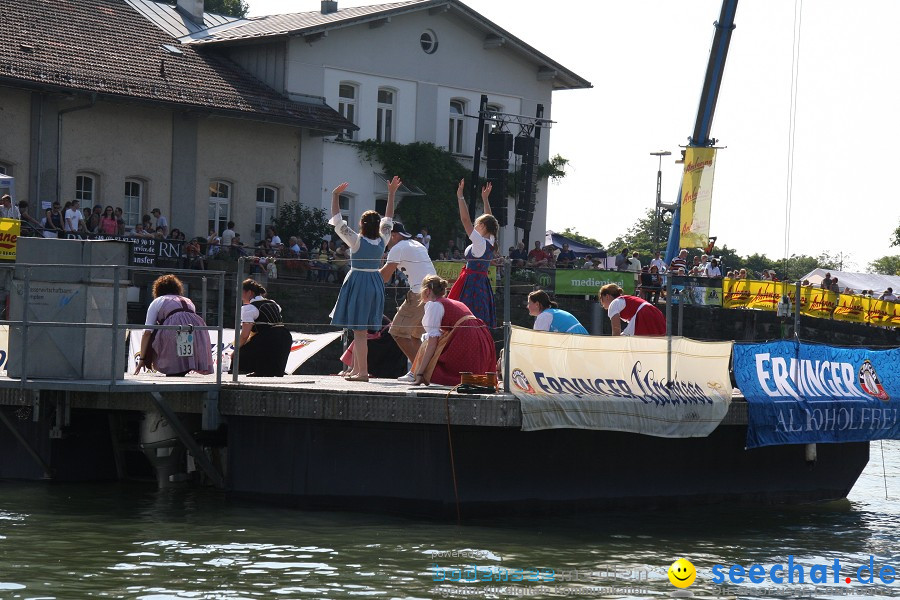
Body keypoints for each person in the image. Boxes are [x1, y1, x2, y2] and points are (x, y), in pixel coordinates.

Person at [329, 176, 397, 382]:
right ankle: (356, 369)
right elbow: (389, 219)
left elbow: (338, 221)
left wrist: (335, 195)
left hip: (359, 281)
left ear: (361, 224)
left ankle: (363, 372)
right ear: (377, 226)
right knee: (363, 329)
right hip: (375, 281)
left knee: (359, 330)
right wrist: (392, 193)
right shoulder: (382, 240)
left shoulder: (356, 241)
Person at [411, 274, 496, 386]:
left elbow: (432, 344)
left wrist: (420, 373)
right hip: (480, 338)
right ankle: (415, 372)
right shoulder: (453, 303)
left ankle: (418, 374)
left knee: (427, 344)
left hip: (466, 338)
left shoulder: (435, 305)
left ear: (427, 291)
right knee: (434, 340)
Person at [380, 222, 437, 381]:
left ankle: (419, 371)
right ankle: (423, 372)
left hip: (419, 293)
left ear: (394, 235)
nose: (384, 240)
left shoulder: (397, 248)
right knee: (414, 336)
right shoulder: (416, 244)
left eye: (386, 236)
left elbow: (384, 277)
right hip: (433, 293)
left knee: (397, 332)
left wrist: (364, 273)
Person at [135, 274, 213, 376]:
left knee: (158, 338)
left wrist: (142, 358)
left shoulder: (158, 301)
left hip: (173, 329)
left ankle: (170, 369)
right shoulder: (189, 301)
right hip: (196, 331)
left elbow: (147, 332)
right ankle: (185, 368)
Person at [448, 179, 498, 328]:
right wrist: (485, 199)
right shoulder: (491, 240)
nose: (474, 227)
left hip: (471, 283)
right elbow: (490, 219)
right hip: (482, 283)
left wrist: (460, 196)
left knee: (466, 317)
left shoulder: (480, 243)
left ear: (482, 226)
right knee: (479, 318)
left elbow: (465, 220)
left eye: (477, 225)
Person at [233, 278, 293, 376]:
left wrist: (236, 350)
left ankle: (260, 370)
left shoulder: (248, 308)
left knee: (241, 353)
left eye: (241, 292)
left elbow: (244, 335)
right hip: (285, 336)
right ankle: (274, 370)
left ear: (249, 293)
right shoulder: (274, 303)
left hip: (268, 338)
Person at [598, 283, 666, 336]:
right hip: (656, 313)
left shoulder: (613, 304)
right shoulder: (624, 300)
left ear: (607, 296)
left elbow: (616, 332)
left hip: (643, 313)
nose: (601, 303)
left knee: (626, 340)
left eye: (601, 298)